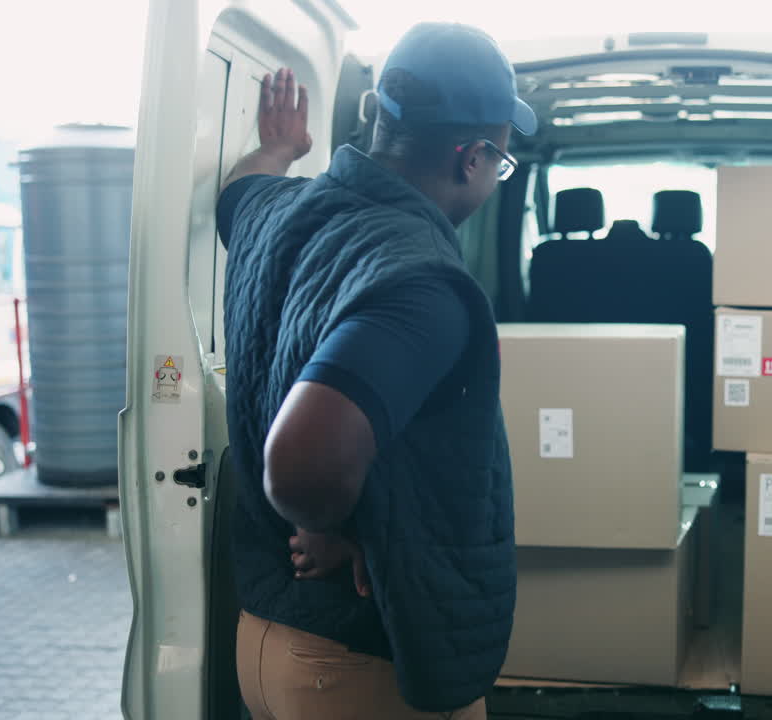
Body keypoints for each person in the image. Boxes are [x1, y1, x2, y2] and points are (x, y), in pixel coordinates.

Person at [215, 22, 535, 720]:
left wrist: (278, 148)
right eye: (501, 162)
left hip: (264, 644)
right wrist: (349, 527)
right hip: (353, 666)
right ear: (472, 157)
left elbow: (238, 195)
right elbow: (300, 463)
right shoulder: (420, 283)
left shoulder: (281, 209)